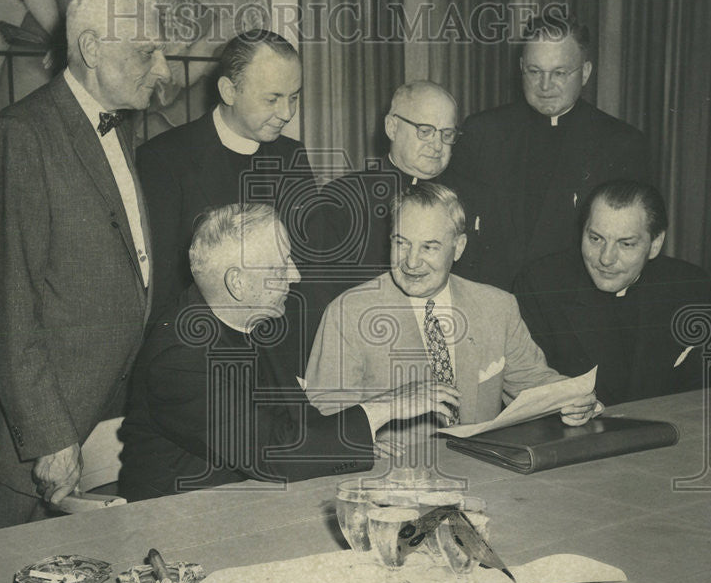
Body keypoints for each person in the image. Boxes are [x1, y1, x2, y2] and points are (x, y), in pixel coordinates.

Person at [0, 0, 171, 527]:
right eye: (148, 51)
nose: (165, 69)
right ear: (93, 49)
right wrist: (52, 441)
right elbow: (6, 308)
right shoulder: (21, 135)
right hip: (32, 445)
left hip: (98, 421)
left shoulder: (116, 130)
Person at [118, 204, 461, 499]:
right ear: (238, 284)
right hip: (180, 521)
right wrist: (387, 407)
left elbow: (297, 421)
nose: (295, 276)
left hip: (250, 500)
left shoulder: (254, 318)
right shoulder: (179, 360)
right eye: (281, 267)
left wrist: (351, 440)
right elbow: (276, 454)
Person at [304, 182, 600, 444]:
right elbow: (326, 415)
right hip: (394, 476)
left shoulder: (498, 306)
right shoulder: (348, 312)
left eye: (429, 247)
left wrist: (573, 399)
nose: (411, 262)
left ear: (458, 247)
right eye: (401, 243)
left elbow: (534, 383)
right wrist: (361, 444)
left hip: (483, 471)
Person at [444, 11, 650, 290]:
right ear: (520, 67)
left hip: (571, 306)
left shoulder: (622, 144)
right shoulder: (482, 132)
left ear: (586, 73)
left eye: (560, 73)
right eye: (534, 71)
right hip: (489, 300)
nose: (544, 86)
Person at [135, 28, 317, 325]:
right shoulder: (162, 160)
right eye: (272, 100)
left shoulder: (292, 156)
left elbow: (308, 267)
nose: (286, 113)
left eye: (293, 97)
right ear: (229, 91)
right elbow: (162, 287)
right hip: (200, 343)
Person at [513, 180, 711, 405]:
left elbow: (706, 389)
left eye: (626, 244)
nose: (606, 258)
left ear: (655, 244)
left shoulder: (689, 285)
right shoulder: (541, 284)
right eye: (596, 239)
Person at [310, 81, 460, 291]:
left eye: (447, 134)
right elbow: (321, 292)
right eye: (425, 131)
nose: (437, 145)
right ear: (392, 128)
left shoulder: (464, 197)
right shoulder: (343, 198)